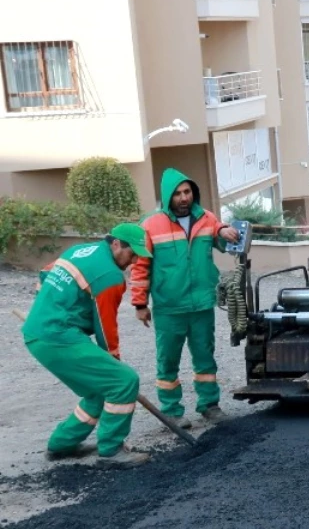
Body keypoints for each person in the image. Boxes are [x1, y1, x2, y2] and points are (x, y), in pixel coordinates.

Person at [23, 224, 155, 468]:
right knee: (123, 381)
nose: (134, 260)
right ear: (116, 243)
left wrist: (50, 304)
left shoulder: (80, 250)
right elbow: (106, 328)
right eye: (132, 253)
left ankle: (61, 444)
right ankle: (112, 450)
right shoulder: (110, 276)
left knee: (97, 390)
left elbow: (45, 274)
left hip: (37, 332)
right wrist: (113, 361)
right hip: (58, 336)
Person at [131, 168, 240, 430]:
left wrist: (226, 231)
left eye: (187, 192)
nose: (183, 198)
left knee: (205, 357)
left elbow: (223, 238)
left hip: (202, 303)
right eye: (178, 193)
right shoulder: (150, 225)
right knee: (167, 361)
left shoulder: (207, 218)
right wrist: (140, 304)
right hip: (169, 307)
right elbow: (140, 267)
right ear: (168, 196)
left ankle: (209, 406)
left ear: (193, 193)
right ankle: (171, 411)